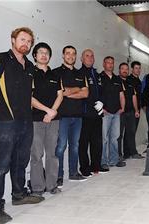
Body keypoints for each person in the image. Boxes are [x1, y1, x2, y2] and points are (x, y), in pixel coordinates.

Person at [0, 27, 44, 224]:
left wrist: (46, 109)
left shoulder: (30, 67)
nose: (25, 44)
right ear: (13, 40)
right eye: (22, 39)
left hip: (26, 121)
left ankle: (19, 195)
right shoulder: (0, 59)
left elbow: (30, 97)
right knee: (1, 165)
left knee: (21, 160)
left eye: (29, 41)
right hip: (6, 121)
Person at [30, 42, 63, 196]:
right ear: (35, 55)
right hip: (36, 120)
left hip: (53, 119)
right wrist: (46, 110)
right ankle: (37, 188)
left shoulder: (55, 75)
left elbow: (60, 95)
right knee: (36, 154)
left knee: (52, 153)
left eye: (47, 53)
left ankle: (52, 185)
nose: (44, 55)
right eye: (40, 52)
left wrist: (53, 112)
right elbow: (29, 98)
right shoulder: (29, 73)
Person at [53, 45, 89, 188]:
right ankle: (59, 176)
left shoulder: (81, 74)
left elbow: (85, 94)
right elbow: (61, 93)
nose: (71, 56)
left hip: (78, 116)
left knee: (75, 146)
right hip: (62, 116)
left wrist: (69, 92)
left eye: (73, 54)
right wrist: (77, 89)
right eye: (68, 53)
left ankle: (73, 173)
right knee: (61, 146)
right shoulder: (56, 73)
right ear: (63, 55)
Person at [78, 49, 109, 176]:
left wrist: (102, 103)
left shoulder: (97, 75)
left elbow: (103, 92)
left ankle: (96, 165)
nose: (90, 58)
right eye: (87, 56)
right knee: (84, 142)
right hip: (85, 114)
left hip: (98, 114)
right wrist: (92, 104)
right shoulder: (79, 74)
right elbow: (81, 93)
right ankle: (85, 167)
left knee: (97, 141)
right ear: (82, 58)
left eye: (92, 56)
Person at [101, 56, 126, 168]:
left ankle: (114, 160)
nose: (110, 65)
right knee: (104, 138)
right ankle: (103, 162)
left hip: (116, 113)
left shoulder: (117, 79)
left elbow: (121, 95)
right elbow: (96, 95)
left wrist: (122, 108)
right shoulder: (99, 77)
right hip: (105, 113)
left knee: (115, 137)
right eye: (108, 63)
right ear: (104, 64)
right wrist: (101, 109)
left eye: (112, 63)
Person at [117, 63, 144, 160]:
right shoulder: (116, 81)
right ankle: (119, 155)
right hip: (120, 113)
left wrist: (136, 110)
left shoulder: (130, 82)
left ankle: (133, 153)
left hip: (131, 112)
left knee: (131, 133)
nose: (124, 70)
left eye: (126, 69)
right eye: (122, 69)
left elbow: (134, 97)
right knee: (119, 135)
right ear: (119, 70)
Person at [127, 61, 142, 130]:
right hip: (131, 109)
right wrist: (135, 109)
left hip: (137, 108)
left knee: (133, 130)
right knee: (130, 131)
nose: (138, 70)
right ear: (132, 69)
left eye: (139, 68)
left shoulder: (139, 81)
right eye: (136, 68)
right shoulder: (128, 80)